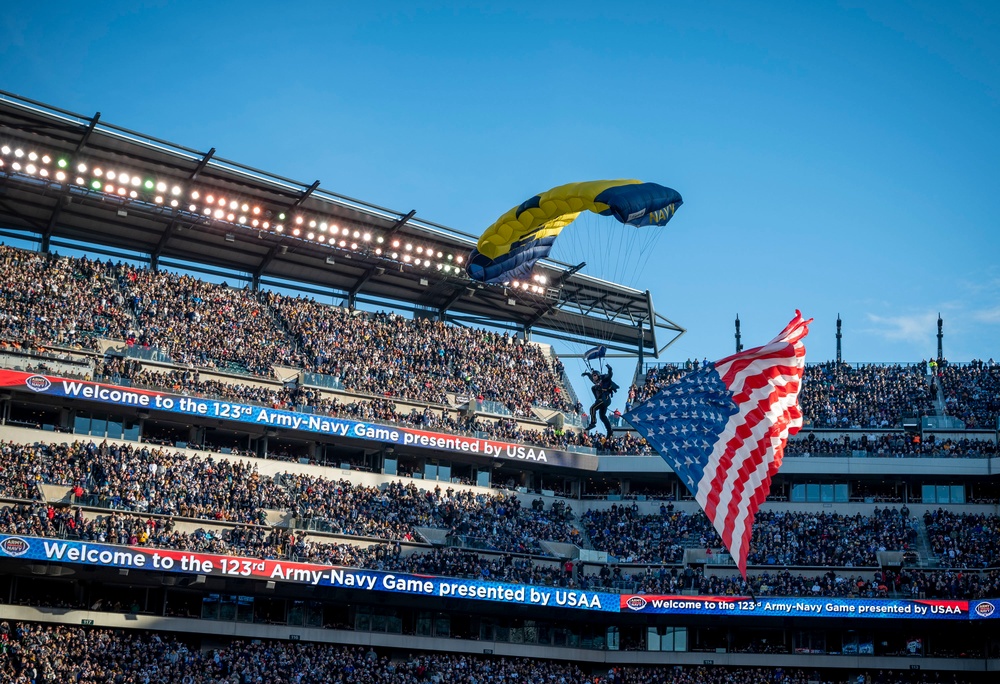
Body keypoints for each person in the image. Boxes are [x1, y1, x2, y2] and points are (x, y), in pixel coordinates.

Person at [583, 365, 617, 436]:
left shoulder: (603, 380)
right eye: (593, 376)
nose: (593, 377)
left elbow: (610, 375)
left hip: (604, 399)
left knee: (592, 408)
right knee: (602, 416)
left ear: (598, 375)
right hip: (603, 401)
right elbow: (590, 378)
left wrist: (610, 369)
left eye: (595, 375)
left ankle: (593, 423)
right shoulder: (596, 382)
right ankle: (609, 431)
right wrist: (587, 374)